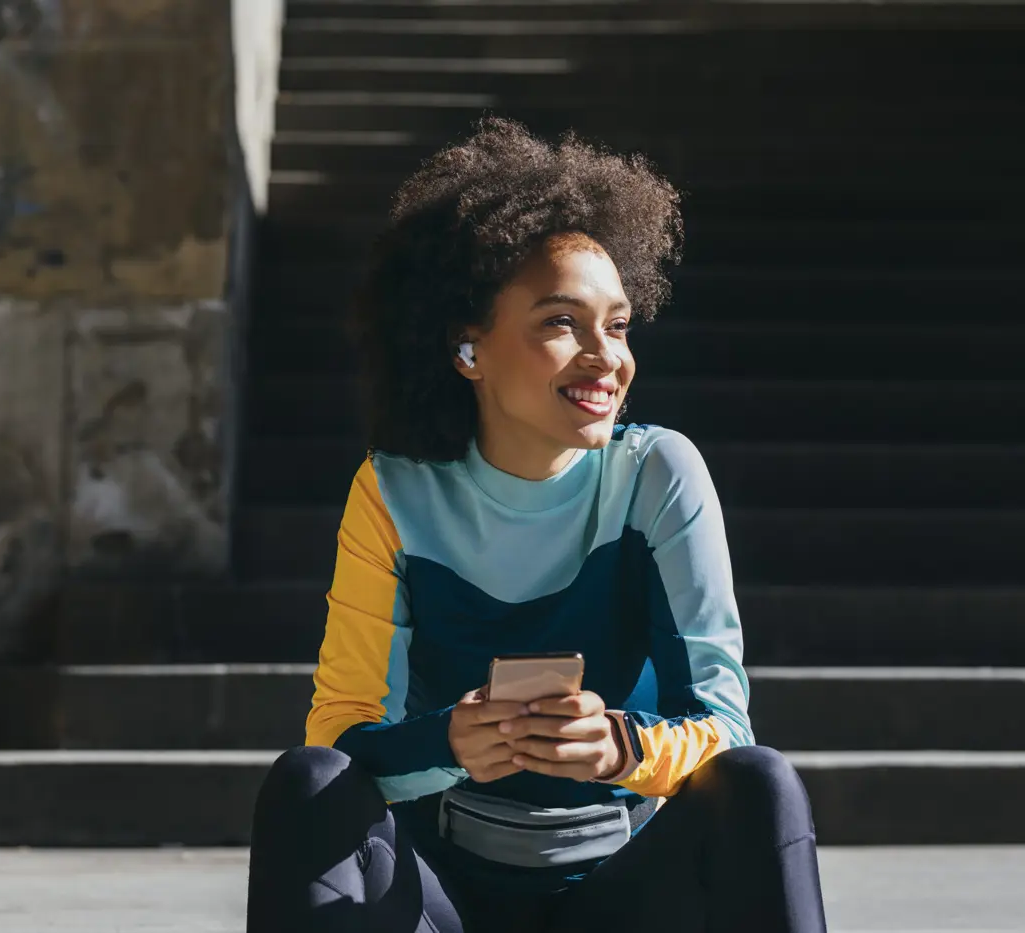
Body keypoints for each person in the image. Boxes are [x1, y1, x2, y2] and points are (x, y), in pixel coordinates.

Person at [245, 117, 828, 933]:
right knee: (307, 783)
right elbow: (341, 735)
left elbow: (724, 727)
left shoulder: (658, 473)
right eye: (562, 322)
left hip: (626, 892)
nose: (607, 356)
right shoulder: (393, 490)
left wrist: (620, 746)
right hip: (441, 893)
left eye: (618, 324)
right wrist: (449, 741)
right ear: (468, 348)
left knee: (762, 782)